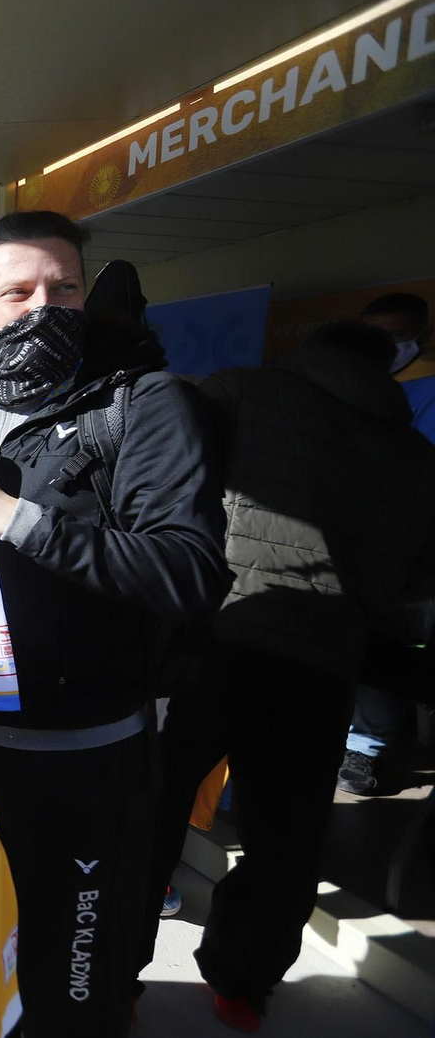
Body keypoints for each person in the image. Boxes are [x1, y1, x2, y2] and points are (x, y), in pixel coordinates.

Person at [0, 211, 229, 1037]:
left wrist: (16, 520)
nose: (43, 308)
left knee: (73, 993)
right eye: (17, 291)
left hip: (88, 775)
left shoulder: (147, 405)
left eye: (63, 289)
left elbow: (191, 572)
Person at [144, 321, 435, 1030]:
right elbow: (414, 586)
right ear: (393, 365)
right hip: (323, 665)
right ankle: (241, 985)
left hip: (218, 641)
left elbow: (172, 501)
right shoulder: (417, 454)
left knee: (152, 814)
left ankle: (112, 971)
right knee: (286, 839)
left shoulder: (241, 390)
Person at [339, 292, 434, 795]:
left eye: (394, 337)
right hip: (345, 544)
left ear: (421, 337)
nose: (381, 347)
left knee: (386, 648)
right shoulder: (348, 383)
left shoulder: (428, 389)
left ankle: (365, 749)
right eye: (372, 334)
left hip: (405, 549)